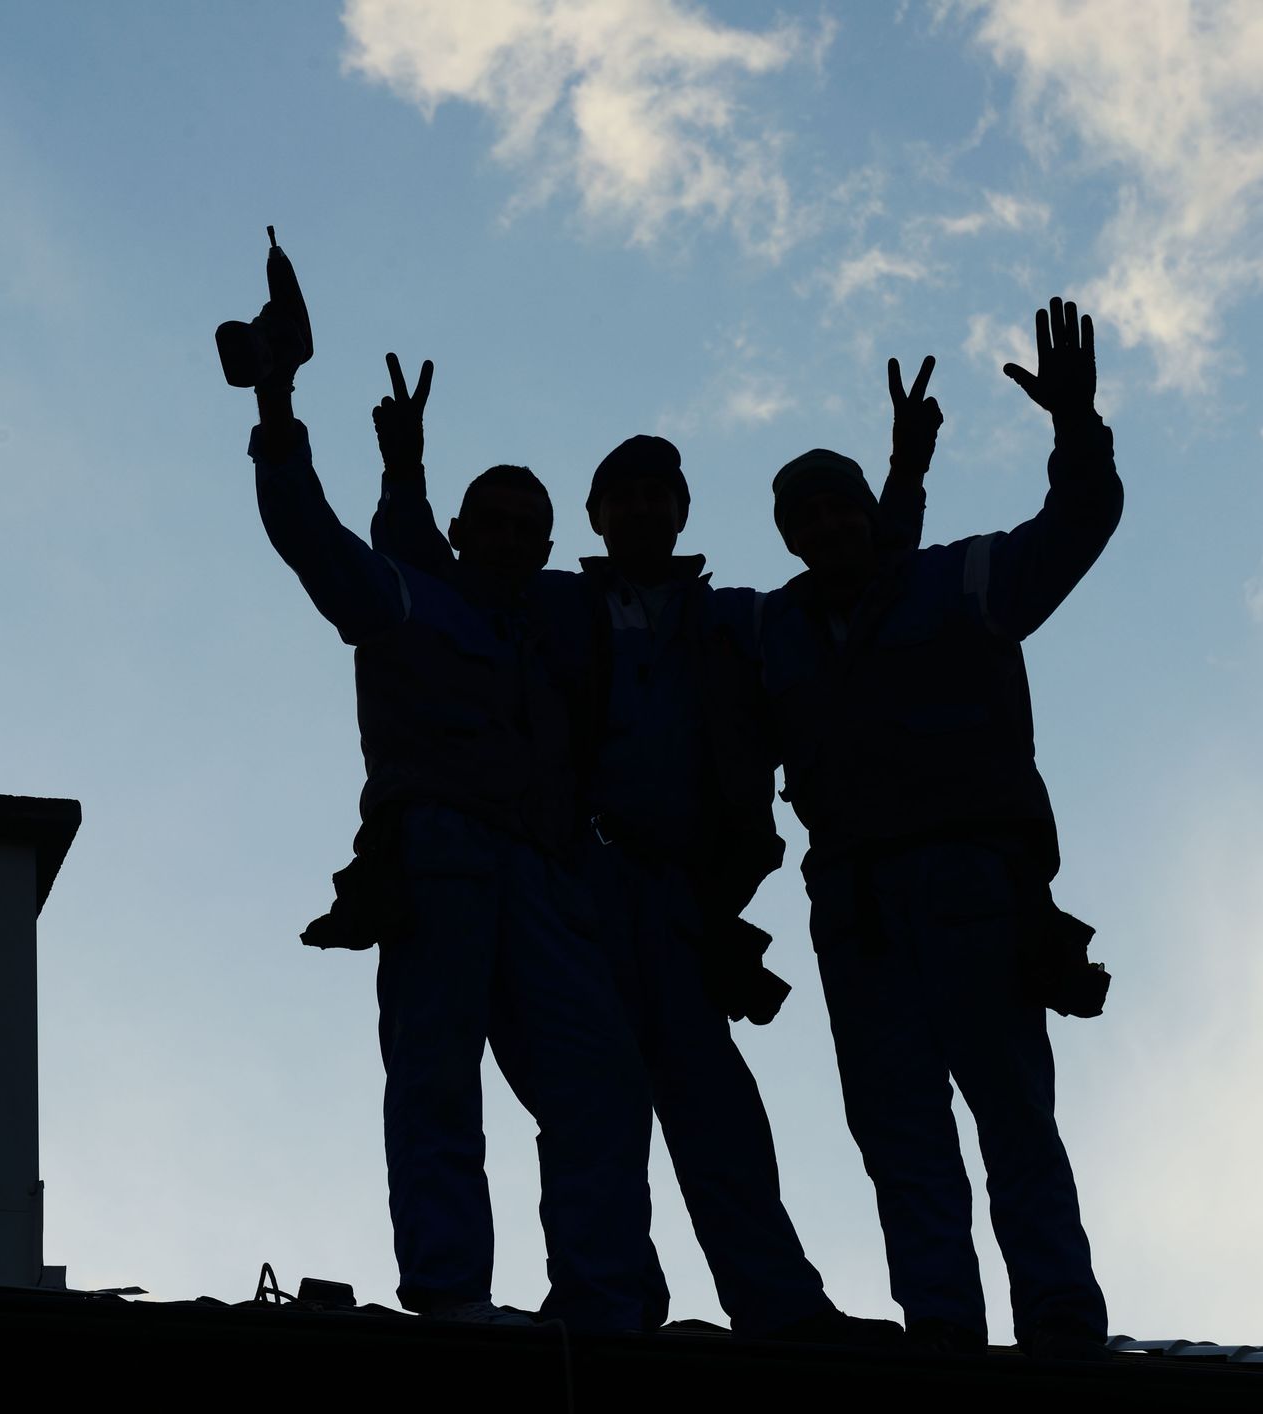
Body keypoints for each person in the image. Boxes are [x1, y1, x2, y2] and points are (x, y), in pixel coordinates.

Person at [369, 351, 937, 1343]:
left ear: (681, 512)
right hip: (575, 888)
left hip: (679, 901)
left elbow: (861, 583)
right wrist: (406, 473)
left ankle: (779, 1307)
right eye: (620, 497)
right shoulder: (553, 604)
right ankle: (608, 1302)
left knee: (712, 1105)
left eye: (656, 496)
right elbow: (430, 583)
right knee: (595, 1102)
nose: (638, 512)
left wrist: (904, 481)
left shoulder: (735, 621)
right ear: (594, 519)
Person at [226, 257, 664, 1332]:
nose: (513, 539)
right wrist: (281, 406)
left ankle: (604, 1298)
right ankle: (453, 1292)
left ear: (552, 546)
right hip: (444, 862)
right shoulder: (411, 604)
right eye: (495, 522)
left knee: (601, 1083)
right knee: (436, 1080)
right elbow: (313, 542)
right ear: (464, 532)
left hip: (551, 881)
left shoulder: (562, 625)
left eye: (532, 526)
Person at [758, 298, 1120, 1358]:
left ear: (867, 514)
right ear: (788, 537)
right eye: (804, 519)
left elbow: (1078, 527)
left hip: (972, 889)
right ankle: (945, 1330)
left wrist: (1075, 426)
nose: (825, 528)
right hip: (857, 913)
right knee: (900, 1138)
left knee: (1013, 1121)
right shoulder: (773, 629)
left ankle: (1057, 1318)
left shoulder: (959, 580)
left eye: (839, 510)